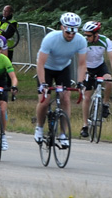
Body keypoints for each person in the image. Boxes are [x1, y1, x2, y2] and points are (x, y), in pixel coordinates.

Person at [34, 12, 88, 148]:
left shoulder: (81, 40)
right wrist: (43, 84)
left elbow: (82, 64)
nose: (71, 34)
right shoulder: (51, 38)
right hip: (46, 67)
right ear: (62, 27)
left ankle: (63, 134)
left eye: (74, 30)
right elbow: (40, 64)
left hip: (63, 68)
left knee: (65, 98)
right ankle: (39, 127)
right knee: (45, 100)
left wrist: (81, 82)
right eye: (68, 30)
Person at [80, 20, 112, 137]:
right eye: (85, 35)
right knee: (86, 97)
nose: (86, 37)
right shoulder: (83, 43)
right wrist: (86, 72)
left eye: (88, 35)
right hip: (87, 67)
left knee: (108, 81)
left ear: (96, 34)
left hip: (100, 66)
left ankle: (105, 104)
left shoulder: (105, 41)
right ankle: (85, 125)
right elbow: (82, 61)